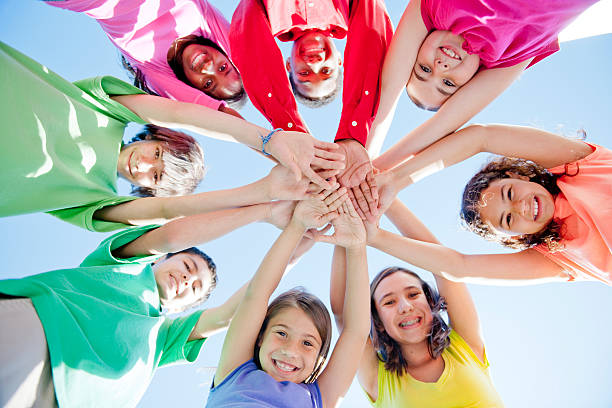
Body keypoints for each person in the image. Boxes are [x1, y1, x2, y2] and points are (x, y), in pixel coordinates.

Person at [1, 41, 344, 231]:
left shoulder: (97, 201)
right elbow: (184, 114)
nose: (147, 163)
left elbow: (170, 209)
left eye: (157, 174)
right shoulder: (110, 109)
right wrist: (267, 140)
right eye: (159, 154)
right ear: (154, 138)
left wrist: (264, 195)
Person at [0, 197, 285, 407]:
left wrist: (296, 238)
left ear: (182, 308)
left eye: (194, 288)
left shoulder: (164, 338)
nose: (187, 280)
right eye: (187, 266)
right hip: (39, 332)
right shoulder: (126, 263)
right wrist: (264, 211)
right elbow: (171, 236)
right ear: (162, 258)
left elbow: (232, 312)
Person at [353, 124, 611, 284]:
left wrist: (395, 180)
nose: (520, 207)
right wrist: (374, 236)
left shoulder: (581, 166)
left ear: (517, 175)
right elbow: (459, 267)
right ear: (515, 237)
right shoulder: (559, 258)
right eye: (508, 220)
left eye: (509, 193)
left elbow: (481, 137)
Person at [367, 0, 597, 170]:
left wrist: (365, 160)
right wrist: (378, 171)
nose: (440, 67)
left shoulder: (433, 9)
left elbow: (387, 91)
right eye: (447, 83)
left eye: (424, 69)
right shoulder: (511, 53)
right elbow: (444, 124)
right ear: (472, 84)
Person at [326, 200, 503, 407]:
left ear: (430, 302)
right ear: (379, 321)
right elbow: (342, 312)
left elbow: (442, 264)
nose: (405, 306)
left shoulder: (464, 345)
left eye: (412, 294)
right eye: (389, 302)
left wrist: (380, 197)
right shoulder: (378, 379)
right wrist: (347, 226)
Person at [206, 189, 371, 407]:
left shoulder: (317, 398)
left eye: (307, 343)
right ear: (260, 337)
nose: (290, 350)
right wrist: (297, 225)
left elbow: (356, 332)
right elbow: (257, 293)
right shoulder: (235, 374)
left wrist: (357, 247)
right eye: (282, 333)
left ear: (319, 359)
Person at [230, 0, 393, 189]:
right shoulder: (351, 7)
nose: (315, 63)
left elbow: (249, 42)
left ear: (288, 66)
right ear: (340, 61)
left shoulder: (265, 12)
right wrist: (353, 134)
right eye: (325, 71)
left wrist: (292, 131)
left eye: (304, 74)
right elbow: (371, 34)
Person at [44, 0, 246, 117]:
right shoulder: (206, 21)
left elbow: (217, 115)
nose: (208, 68)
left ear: (194, 88)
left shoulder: (155, 70)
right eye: (223, 68)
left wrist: (270, 146)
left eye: (208, 83)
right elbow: (248, 52)